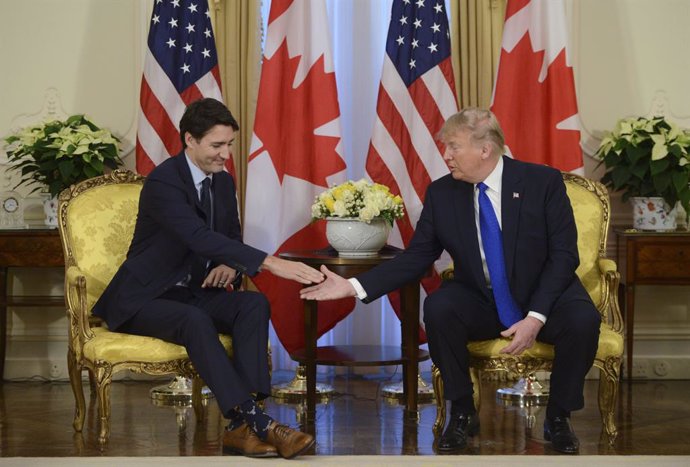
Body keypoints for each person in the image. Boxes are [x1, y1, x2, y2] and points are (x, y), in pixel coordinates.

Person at [300, 108, 600, 455]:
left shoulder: (541, 183)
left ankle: (559, 417)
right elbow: (417, 257)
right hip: (481, 297)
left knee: (583, 319)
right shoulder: (443, 193)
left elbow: (564, 256)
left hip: (544, 295)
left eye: (454, 147)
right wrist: (353, 287)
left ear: (485, 149)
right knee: (441, 307)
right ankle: (461, 411)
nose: (446, 155)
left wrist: (535, 317)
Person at [93, 98, 322, 459]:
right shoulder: (164, 181)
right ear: (190, 140)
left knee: (252, 303)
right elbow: (196, 235)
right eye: (217, 145)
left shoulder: (222, 182)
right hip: (143, 297)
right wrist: (269, 263)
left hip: (193, 291)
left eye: (229, 144)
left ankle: (242, 427)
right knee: (194, 319)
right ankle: (259, 423)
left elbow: (228, 238)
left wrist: (231, 264)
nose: (225, 154)